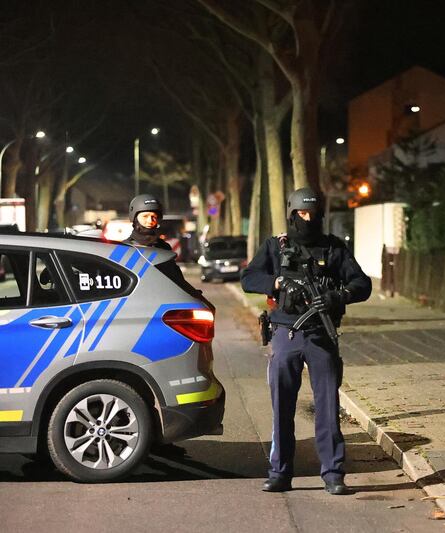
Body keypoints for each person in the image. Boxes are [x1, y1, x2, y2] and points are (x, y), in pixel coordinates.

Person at [241, 187, 371, 495]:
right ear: (292, 213)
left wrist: (338, 296)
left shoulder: (333, 248)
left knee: (328, 407)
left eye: (312, 214)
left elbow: (362, 283)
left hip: (321, 335)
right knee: (282, 407)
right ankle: (280, 472)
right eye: (301, 213)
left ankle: (333, 473)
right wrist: (276, 281)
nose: (307, 218)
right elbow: (248, 278)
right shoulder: (276, 246)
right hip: (286, 333)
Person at [125, 193, 210, 307]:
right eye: (145, 216)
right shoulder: (124, 248)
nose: (150, 220)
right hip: (136, 306)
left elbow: (176, 278)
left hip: (164, 304)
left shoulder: (163, 247)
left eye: (154, 217)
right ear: (134, 218)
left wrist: (192, 295)